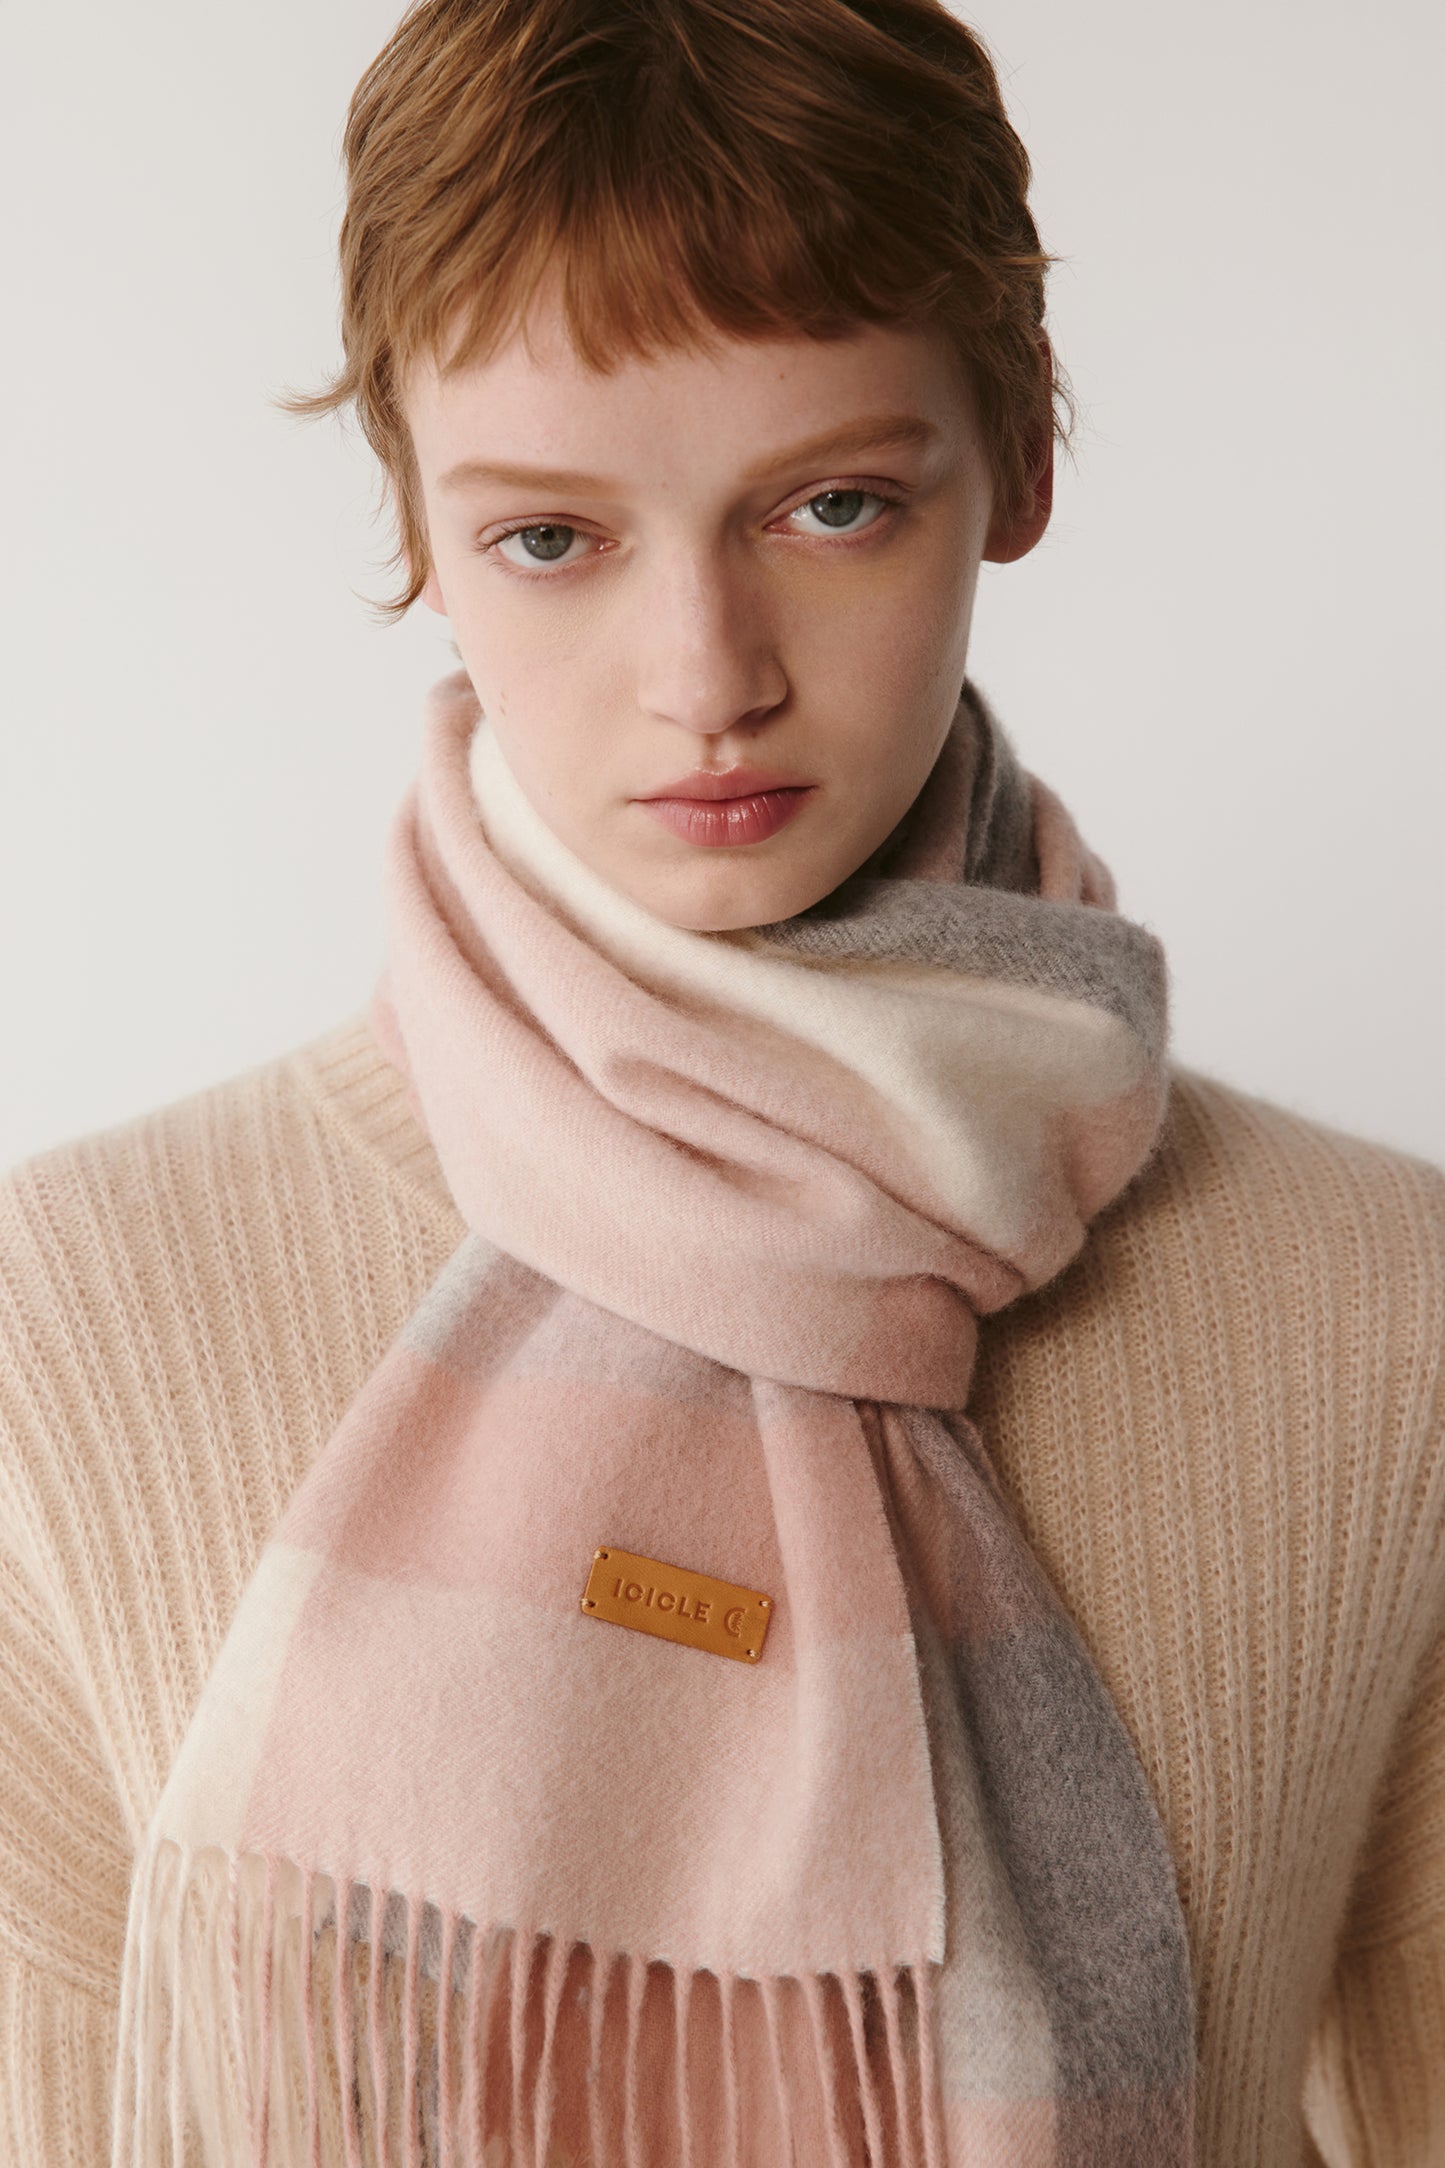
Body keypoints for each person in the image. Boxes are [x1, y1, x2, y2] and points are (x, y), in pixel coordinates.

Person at [0, 0, 1441, 2162]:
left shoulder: (1389, 1314)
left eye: (833, 503)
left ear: (1019, 465)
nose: (707, 678)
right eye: (552, 540)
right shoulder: (68, 1317)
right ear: (419, 520)